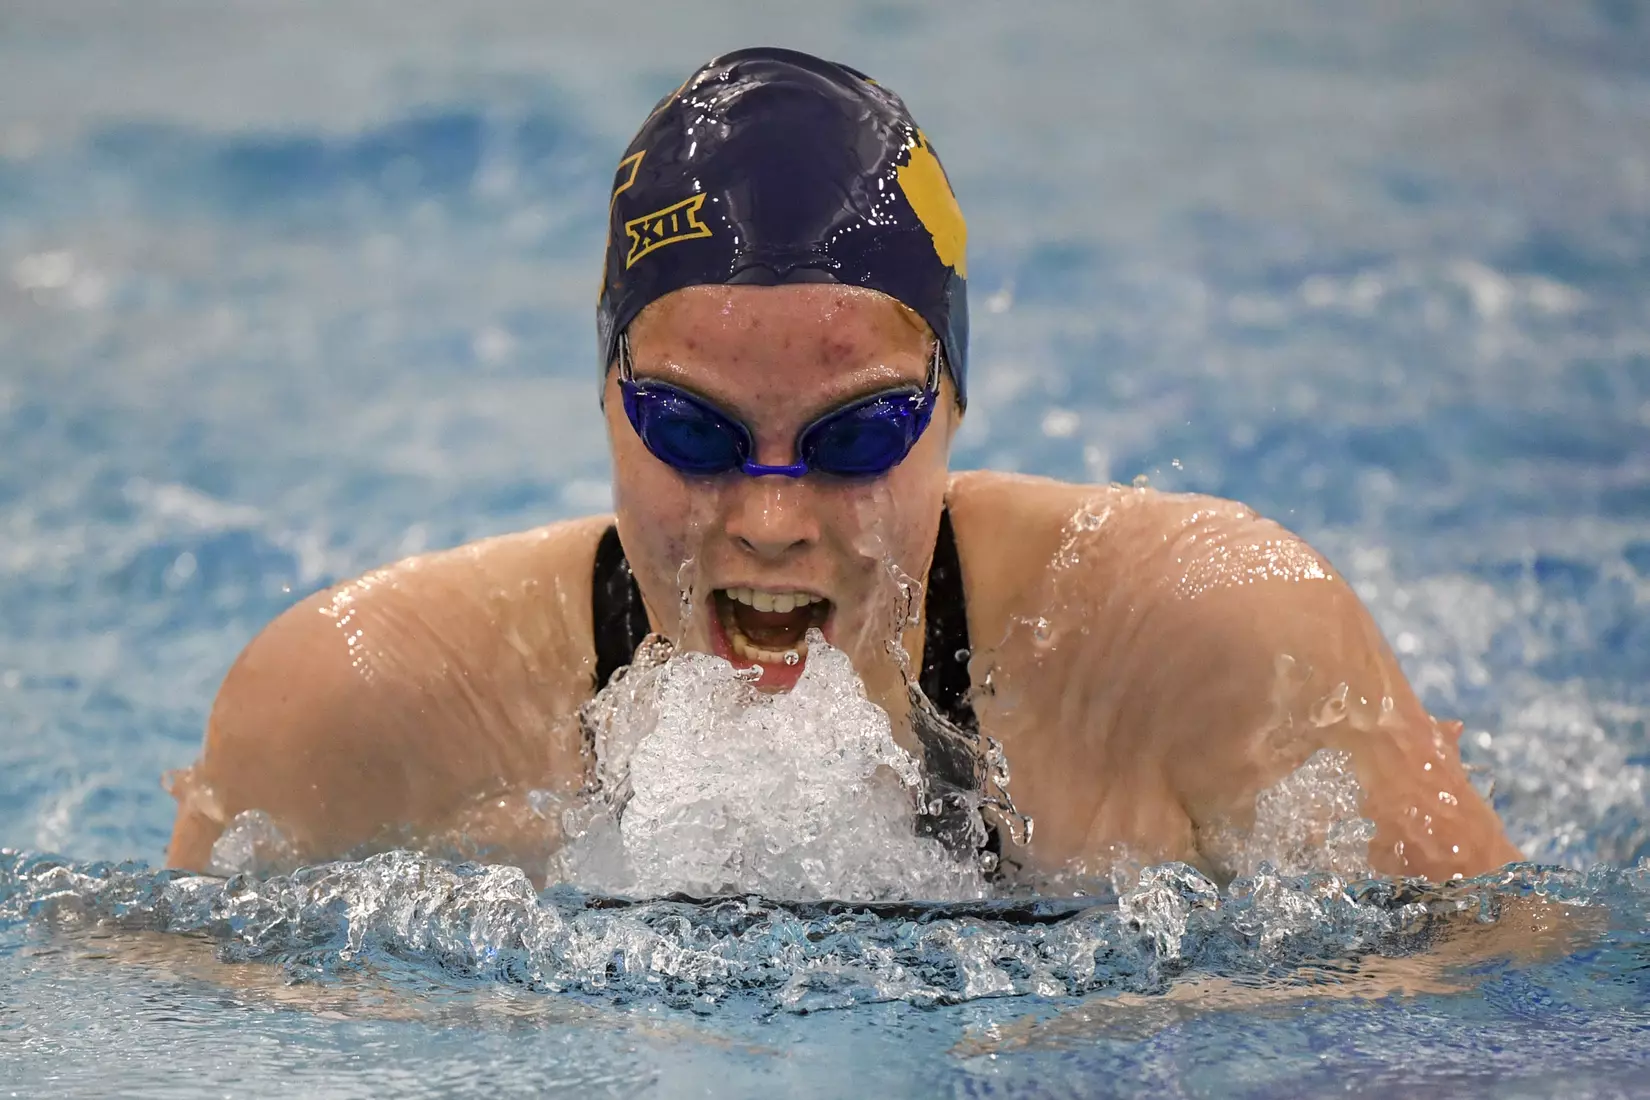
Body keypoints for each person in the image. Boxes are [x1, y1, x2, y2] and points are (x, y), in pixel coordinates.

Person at [164, 47, 1521, 884]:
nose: (765, 519)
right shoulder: (363, 707)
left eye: (853, 436)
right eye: (689, 430)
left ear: (951, 404)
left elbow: (1490, 1007)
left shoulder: (1206, 643)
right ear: (603, 399)